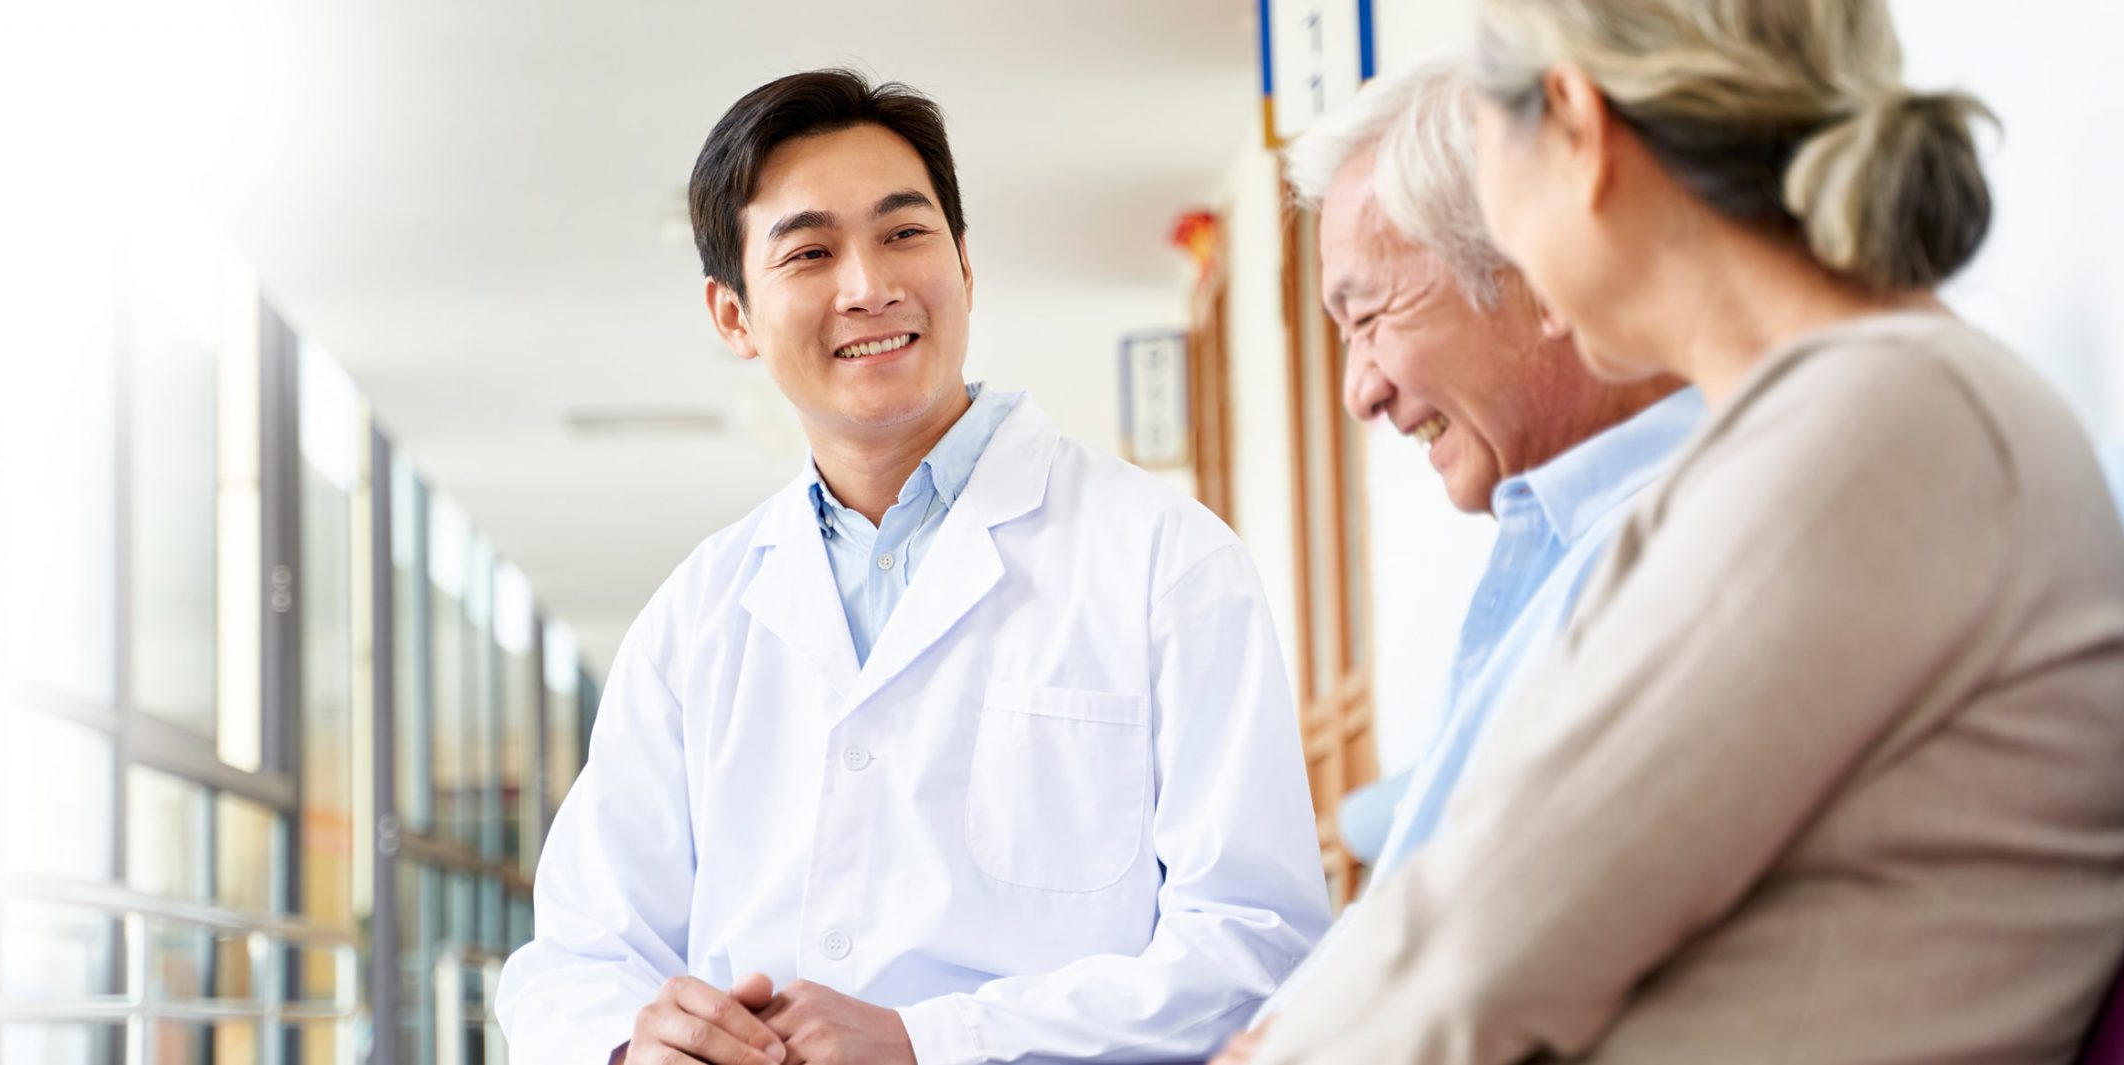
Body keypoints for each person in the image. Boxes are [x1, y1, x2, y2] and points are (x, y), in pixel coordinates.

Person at [1250, 0, 2124, 1061]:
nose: (1504, 241)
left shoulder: (1878, 419)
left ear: (1574, 127)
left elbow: (1480, 944)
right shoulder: (1848, 416)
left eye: (1490, 162)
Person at [494, 69, 1331, 1065]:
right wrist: (635, 1046)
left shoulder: (1165, 561)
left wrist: (927, 1042)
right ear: (733, 317)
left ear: (966, 266)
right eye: (809, 251)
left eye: (904, 234)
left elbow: (1256, 946)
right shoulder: (696, 619)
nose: (868, 286)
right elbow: (577, 957)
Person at [1202, 57, 1702, 1065]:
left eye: (1370, 318)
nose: (1360, 392)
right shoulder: (1557, 544)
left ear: (1535, 265)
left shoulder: (1696, 535)